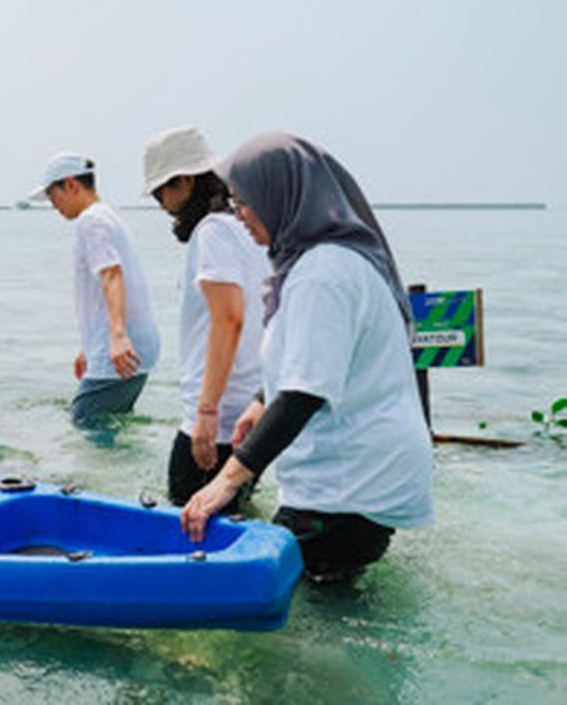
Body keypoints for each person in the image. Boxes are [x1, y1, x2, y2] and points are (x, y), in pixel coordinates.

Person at [180, 132, 433, 584]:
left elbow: (304, 391)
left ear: (283, 197)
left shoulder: (323, 273)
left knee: (286, 622)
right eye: (233, 202)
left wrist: (228, 478)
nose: (239, 215)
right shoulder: (323, 261)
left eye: (246, 201)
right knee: (327, 606)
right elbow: (312, 355)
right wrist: (260, 401)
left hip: (348, 484)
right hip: (358, 476)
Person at [143, 126, 269, 512]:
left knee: (185, 524)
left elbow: (228, 319)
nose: (160, 203)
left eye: (159, 191)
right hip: (250, 414)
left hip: (221, 417)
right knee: (232, 521)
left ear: (183, 181)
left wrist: (206, 412)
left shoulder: (213, 231)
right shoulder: (247, 225)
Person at [27, 153, 161, 425]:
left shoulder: (91, 222)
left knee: (85, 426)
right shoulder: (108, 216)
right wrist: (88, 346)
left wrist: (118, 337)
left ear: (71, 185)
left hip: (122, 347)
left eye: (53, 197)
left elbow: (112, 275)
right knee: (110, 427)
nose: (54, 206)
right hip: (132, 345)